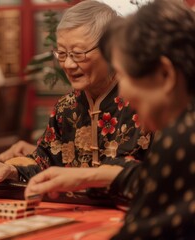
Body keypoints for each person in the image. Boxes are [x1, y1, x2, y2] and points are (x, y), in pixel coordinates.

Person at [26, 0, 195, 238]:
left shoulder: (183, 135)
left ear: (165, 74)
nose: (122, 94)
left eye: (124, 74)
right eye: (62, 54)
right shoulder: (183, 129)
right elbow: (150, 180)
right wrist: (88, 176)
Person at [0, 0, 151, 193]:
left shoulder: (142, 104)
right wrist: (7, 169)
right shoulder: (66, 107)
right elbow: (45, 162)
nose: (68, 64)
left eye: (77, 53)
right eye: (61, 53)